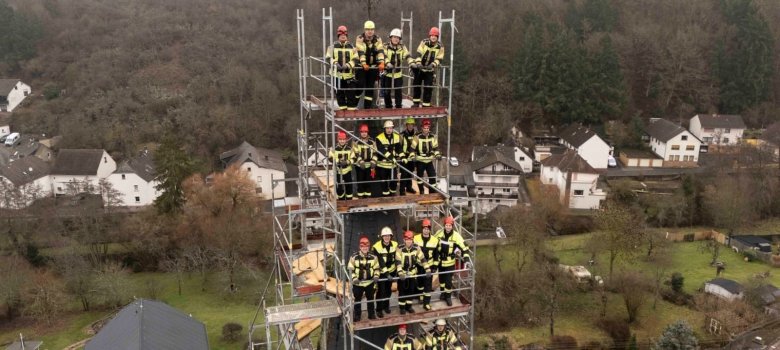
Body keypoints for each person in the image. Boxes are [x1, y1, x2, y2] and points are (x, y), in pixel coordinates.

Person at [434, 216, 471, 306]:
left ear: (452, 226)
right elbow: (433, 243)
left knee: (448, 281)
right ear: (444, 225)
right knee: (441, 280)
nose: (448, 227)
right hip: (440, 262)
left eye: (450, 225)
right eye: (446, 225)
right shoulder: (439, 233)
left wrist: (466, 259)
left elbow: (464, 248)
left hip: (450, 263)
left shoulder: (456, 236)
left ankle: (448, 297)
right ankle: (443, 293)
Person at [396, 230, 431, 315]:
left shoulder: (416, 248)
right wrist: (400, 272)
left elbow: (422, 259)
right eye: (407, 239)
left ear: (412, 240)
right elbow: (398, 261)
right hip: (403, 274)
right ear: (404, 240)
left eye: (410, 239)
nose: (409, 241)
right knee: (402, 291)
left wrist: (427, 269)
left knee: (411, 291)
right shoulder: (399, 248)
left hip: (412, 273)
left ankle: (409, 306)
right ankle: (402, 307)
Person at [325, 25, 358, 110]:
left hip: (349, 75)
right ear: (338, 36)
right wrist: (335, 64)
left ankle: (351, 110)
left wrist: (348, 65)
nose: (343, 36)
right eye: (341, 35)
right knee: (339, 93)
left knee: (351, 93)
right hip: (336, 75)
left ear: (346, 36)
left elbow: (356, 58)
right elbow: (328, 58)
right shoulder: (332, 47)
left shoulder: (352, 47)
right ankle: (343, 109)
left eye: (344, 35)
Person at [348, 235, 380, 321]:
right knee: (357, 300)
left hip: (370, 283)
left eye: (366, 246)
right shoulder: (354, 257)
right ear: (360, 247)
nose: (365, 248)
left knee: (370, 299)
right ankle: (357, 315)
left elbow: (377, 268)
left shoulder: (374, 257)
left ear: (369, 247)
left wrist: (376, 276)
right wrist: (354, 278)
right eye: (363, 247)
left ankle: (371, 314)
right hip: (358, 283)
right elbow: (350, 269)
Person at [411, 27, 444, 107]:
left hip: (429, 70)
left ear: (437, 37)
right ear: (429, 36)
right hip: (420, 68)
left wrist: (433, 65)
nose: (433, 37)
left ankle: (426, 104)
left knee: (428, 88)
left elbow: (439, 58)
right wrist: (418, 63)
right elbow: (418, 53)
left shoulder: (440, 46)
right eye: (432, 35)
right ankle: (416, 103)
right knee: (417, 85)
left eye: (435, 36)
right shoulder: (424, 42)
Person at [356, 20, 385, 109]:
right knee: (360, 85)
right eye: (368, 29)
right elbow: (360, 52)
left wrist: (381, 62)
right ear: (365, 30)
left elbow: (380, 51)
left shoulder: (378, 39)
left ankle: (367, 107)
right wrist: (364, 64)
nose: (370, 31)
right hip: (362, 67)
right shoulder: (360, 38)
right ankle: (353, 104)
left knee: (370, 87)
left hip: (372, 67)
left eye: (372, 29)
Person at [372, 226, 398, 318]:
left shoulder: (395, 244)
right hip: (382, 273)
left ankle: (386, 306)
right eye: (385, 236)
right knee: (381, 292)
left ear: (391, 236)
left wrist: (397, 271)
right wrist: (387, 274)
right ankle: (379, 309)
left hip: (391, 272)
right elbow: (380, 262)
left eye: (388, 236)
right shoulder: (376, 247)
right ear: (382, 237)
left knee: (388, 291)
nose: (387, 237)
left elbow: (397, 258)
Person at [413, 219, 440, 310]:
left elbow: (437, 254)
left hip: (429, 266)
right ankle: (420, 297)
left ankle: (426, 303)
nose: (426, 230)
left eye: (427, 228)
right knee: (420, 282)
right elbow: (413, 252)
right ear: (422, 229)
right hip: (419, 265)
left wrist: (435, 266)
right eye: (424, 228)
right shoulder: (416, 238)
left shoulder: (435, 240)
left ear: (429, 229)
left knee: (428, 285)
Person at [382, 28, 412, 109]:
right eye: (394, 37)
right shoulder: (385, 46)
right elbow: (383, 56)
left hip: (398, 74)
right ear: (390, 38)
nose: (396, 39)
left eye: (397, 38)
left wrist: (412, 63)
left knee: (398, 91)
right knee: (387, 91)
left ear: (399, 39)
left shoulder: (402, 47)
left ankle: (398, 106)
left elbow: (407, 56)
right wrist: (388, 63)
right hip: (387, 73)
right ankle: (388, 106)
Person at [375, 120, 404, 196]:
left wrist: (402, 156)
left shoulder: (396, 136)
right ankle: (385, 197)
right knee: (383, 182)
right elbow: (381, 150)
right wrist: (391, 157)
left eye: (390, 128)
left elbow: (399, 148)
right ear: (384, 129)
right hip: (382, 165)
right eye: (387, 128)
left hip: (392, 165)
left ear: (392, 128)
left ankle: (392, 195)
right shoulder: (379, 138)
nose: (389, 130)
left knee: (394, 182)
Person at [414, 119, 441, 193]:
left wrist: (437, 154)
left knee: (432, 177)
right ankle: (422, 191)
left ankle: (432, 193)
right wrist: (412, 156)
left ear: (429, 128)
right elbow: (412, 148)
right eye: (424, 128)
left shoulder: (433, 136)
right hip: (420, 161)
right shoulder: (417, 136)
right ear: (422, 128)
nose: (426, 130)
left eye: (427, 128)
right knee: (420, 178)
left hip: (429, 161)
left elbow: (436, 148)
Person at [352, 123, 378, 198]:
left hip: (369, 165)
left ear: (367, 132)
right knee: (360, 181)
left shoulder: (372, 142)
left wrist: (374, 161)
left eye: (365, 132)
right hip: (359, 166)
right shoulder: (356, 142)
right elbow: (355, 153)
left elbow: (375, 153)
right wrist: (360, 161)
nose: (364, 133)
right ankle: (360, 196)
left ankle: (368, 196)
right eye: (362, 132)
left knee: (368, 182)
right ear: (360, 133)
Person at [328, 131, 355, 200]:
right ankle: (342, 199)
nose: (342, 141)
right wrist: (338, 161)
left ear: (346, 140)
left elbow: (354, 158)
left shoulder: (349, 149)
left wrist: (347, 162)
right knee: (338, 188)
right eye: (340, 139)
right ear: (338, 139)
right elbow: (330, 158)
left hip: (347, 171)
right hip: (338, 171)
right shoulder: (333, 149)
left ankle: (349, 200)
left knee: (349, 186)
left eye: (343, 139)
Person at [399, 117, 418, 195]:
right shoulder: (402, 135)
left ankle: (409, 188)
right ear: (406, 125)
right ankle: (402, 190)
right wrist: (400, 156)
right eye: (409, 125)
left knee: (410, 173)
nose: (410, 126)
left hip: (412, 157)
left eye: (412, 125)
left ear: (413, 125)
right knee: (404, 174)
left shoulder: (416, 134)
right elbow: (399, 146)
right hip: (404, 156)